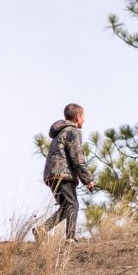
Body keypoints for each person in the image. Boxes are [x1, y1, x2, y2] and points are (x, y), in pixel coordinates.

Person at [35, 104, 95, 242]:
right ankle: (70, 239)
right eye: (83, 117)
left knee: (66, 206)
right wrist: (88, 180)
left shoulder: (59, 133)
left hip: (51, 175)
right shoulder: (73, 132)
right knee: (73, 204)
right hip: (63, 174)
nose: (84, 120)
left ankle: (42, 230)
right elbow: (78, 159)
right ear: (78, 117)